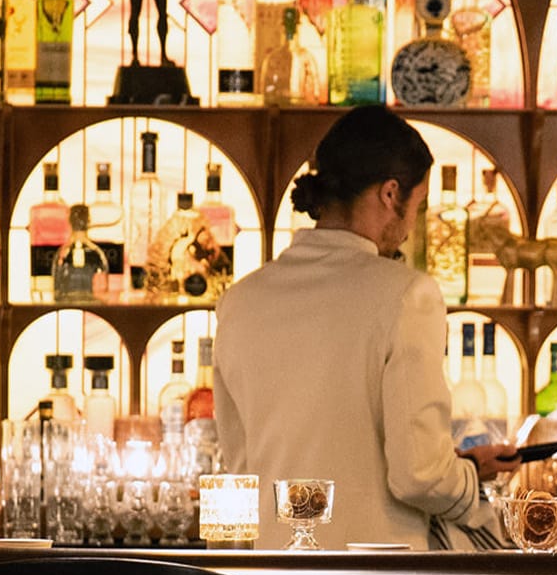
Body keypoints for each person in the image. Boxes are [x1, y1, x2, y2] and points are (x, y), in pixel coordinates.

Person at [213, 106, 519, 548]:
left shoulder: (239, 301)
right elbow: (420, 476)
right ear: (391, 194)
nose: (413, 224)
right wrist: (470, 487)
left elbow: (236, 476)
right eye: (419, 205)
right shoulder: (407, 294)